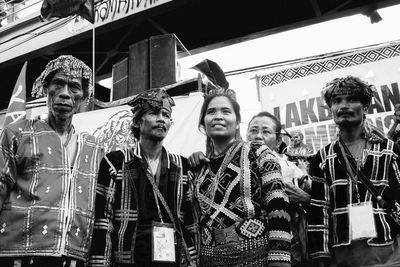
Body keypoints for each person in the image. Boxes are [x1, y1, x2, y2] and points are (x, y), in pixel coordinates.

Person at [0, 55, 104, 267]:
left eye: (74, 87)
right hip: (18, 256)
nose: (65, 93)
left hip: (73, 257)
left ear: (83, 97)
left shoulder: (94, 148)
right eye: (58, 84)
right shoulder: (18, 134)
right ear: (45, 89)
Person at [88, 89, 197, 267]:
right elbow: (103, 222)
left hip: (172, 259)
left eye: (166, 115)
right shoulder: (115, 162)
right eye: (154, 113)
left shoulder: (182, 166)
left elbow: (190, 222)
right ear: (138, 121)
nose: (161, 118)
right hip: (128, 259)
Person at [187, 92, 291, 266]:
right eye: (211, 112)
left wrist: (279, 256)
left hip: (257, 257)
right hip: (209, 259)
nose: (218, 116)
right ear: (203, 124)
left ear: (237, 123)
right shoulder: (198, 169)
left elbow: (278, 202)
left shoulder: (258, 152)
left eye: (226, 112)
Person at [308, 75, 400, 267]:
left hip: (391, 252)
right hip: (344, 256)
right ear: (331, 109)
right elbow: (320, 209)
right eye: (337, 101)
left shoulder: (387, 149)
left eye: (351, 99)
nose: (343, 106)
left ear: (365, 107)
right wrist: (321, 256)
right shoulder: (323, 157)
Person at [246, 111, 311, 267]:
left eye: (266, 131)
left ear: (278, 141)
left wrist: (304, 197)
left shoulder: (289, 167)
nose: (258, 136)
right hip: (249, 249)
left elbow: (316, 196)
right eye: (253, 131)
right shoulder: (237, 166)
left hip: (289, 248)